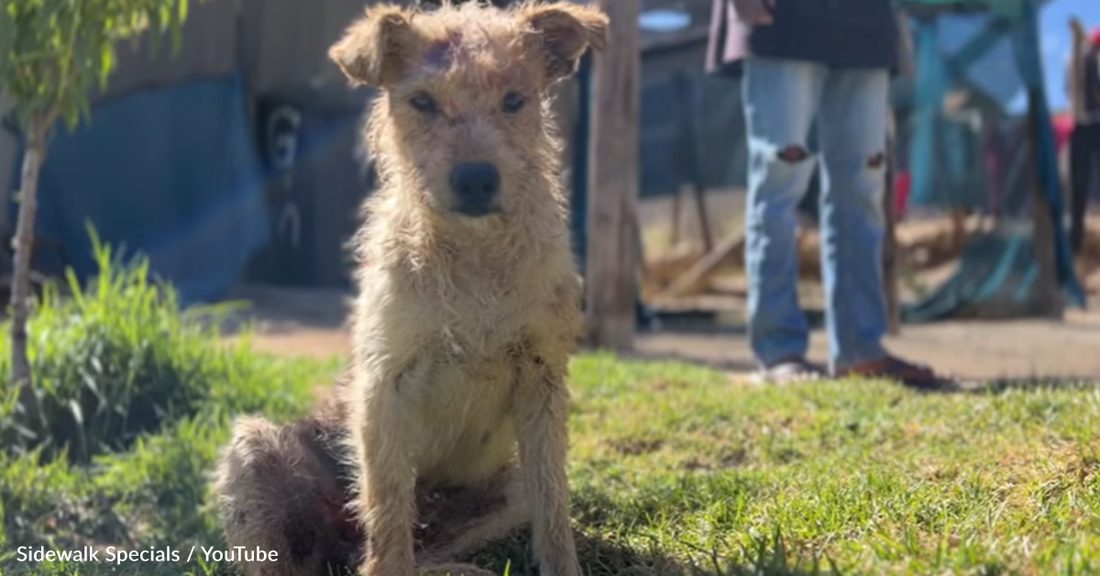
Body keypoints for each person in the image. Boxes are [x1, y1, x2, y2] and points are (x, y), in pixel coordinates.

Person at [706, 0, 945, 387]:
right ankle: (779, 351)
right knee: (780, 179)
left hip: (866, 24)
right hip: (780, 17)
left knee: (863, 186)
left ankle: (861, 350)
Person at [1068, 18, 1100, 255]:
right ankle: (1076, 240)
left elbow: (1070, 90)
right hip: (1084, 125)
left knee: (1079, 185)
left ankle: (1076, 240)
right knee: (1079, 185)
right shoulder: (1078, 59)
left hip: (1084, 125)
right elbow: (1072, 89)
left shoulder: (1077, 59)